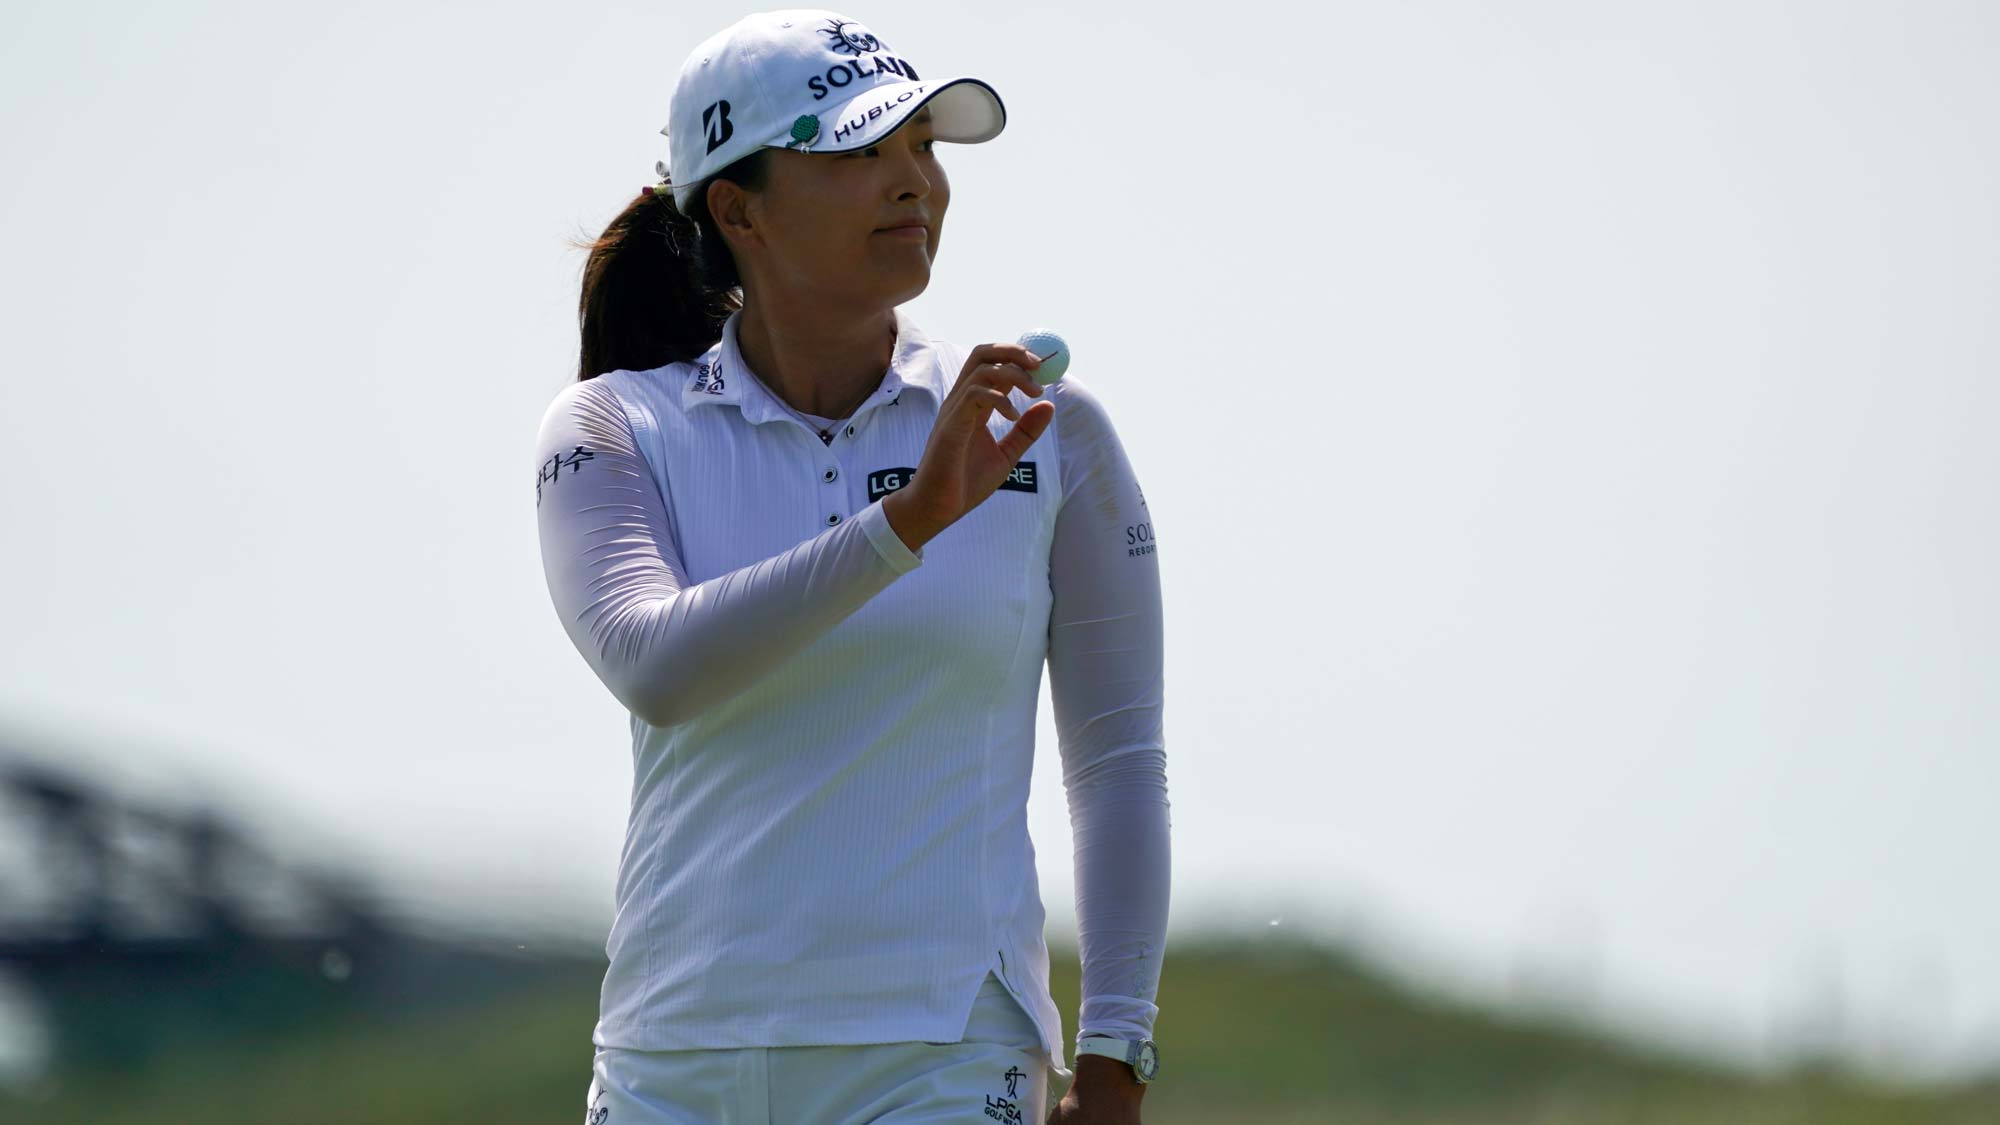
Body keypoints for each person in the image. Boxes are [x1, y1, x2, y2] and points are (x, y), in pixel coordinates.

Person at [533, 10, 1169, 1122]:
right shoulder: (610, 428)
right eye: (859, 153)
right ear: (737, 208)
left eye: (922, 146)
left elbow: (1116, 763)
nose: (913, 181)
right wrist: (906, 522)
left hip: (944, 1059)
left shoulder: (1045, 432)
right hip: (674, 1068)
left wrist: (1115, 1055)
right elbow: (654, 664)